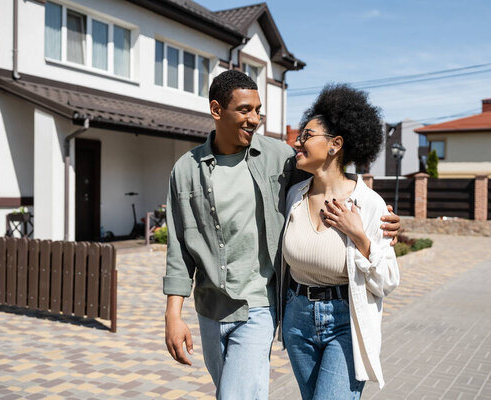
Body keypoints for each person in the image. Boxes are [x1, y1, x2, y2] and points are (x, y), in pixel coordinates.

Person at [163, 71, 401, 399]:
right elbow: (178, 247)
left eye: (258, 110)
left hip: (262, 306)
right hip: (219, 308)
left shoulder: (279, 159)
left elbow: (333, 170)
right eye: (245, 110)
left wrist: (380, 221)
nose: (254, 119)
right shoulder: (186, 170)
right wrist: (173, 314)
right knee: (228, 390)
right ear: (217, 111)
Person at [280, 83, 400, 400]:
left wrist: (359, 235)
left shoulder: (370, 204)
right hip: (296, 320)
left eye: (307, 135)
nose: (297, 141)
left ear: (335, 144)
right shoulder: (294, 195)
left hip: (345, 321)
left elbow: (388, 279)